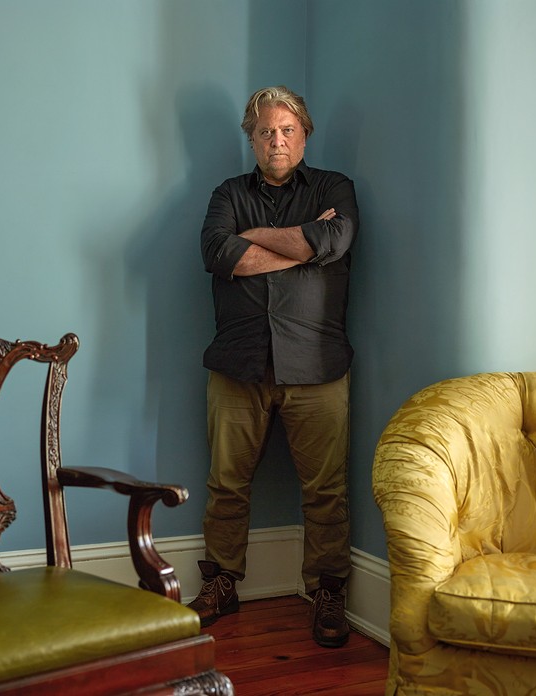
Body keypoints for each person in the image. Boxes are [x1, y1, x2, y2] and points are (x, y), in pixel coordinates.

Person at [190, 85, 359, 648]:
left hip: (318, 363)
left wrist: (252, 243)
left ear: (305, 133)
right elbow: (216, 253)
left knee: (326, 489)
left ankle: (328, 590)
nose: (277, 140)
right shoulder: (227, 193)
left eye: (287, 130)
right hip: (238, 362)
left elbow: (334, 241)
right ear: (252, 137)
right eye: (266, 131)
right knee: (226, 484)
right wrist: (299, 247)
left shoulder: (336, 189)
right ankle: (221, 582)